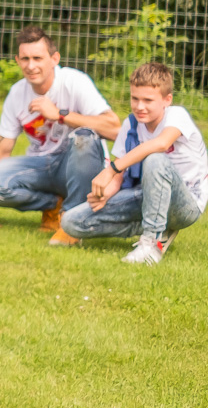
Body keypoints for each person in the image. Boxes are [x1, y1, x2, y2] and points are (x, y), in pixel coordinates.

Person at [0, 25, 119, 240]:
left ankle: (72, 221)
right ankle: (54, 207)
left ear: (54, 58)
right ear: (17, 60)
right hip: (41, 165)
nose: (31, 66)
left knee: (84, 138)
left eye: (38, 58)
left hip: (79, 166)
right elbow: (0, 151)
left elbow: (115, 128)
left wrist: (60, 115)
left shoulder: (75, 82)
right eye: (25, 59)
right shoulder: (16, 93)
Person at [58, 61, 207, 263]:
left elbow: (161, 144)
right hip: (148, 197)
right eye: (135, 98)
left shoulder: (176, 115)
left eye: (148, 100)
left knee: (155, 160)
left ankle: (150, 245)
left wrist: (110, 169)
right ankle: (156, 228)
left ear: (167, 100)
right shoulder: (131, 123)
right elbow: (119, 176)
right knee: (72, 221)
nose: (139, 106)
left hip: (186, 205)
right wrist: (105, 195)